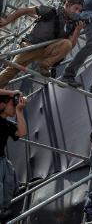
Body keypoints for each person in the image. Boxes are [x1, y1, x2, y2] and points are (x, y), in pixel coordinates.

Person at [0, 0, 85, 87]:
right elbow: (24, 10)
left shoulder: (71, 24)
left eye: (79, 11)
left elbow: (70, 45)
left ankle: (45, 65)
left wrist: (77, 30)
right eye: (76, 8)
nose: (77, 12)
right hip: (31, 46)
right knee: (11, 71)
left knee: (67, 44)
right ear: (67, 5)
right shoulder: (51, 11)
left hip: (47, 50)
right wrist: (6, 21)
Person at [0, 89, 26, 219]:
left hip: (2, 160)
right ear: (2, 105)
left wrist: (19, 111)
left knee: (10, 185)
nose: (14, 106)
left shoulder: (6, 124)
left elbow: (21, 132)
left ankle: (3, 210)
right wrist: (11, 93)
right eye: (12, 104)